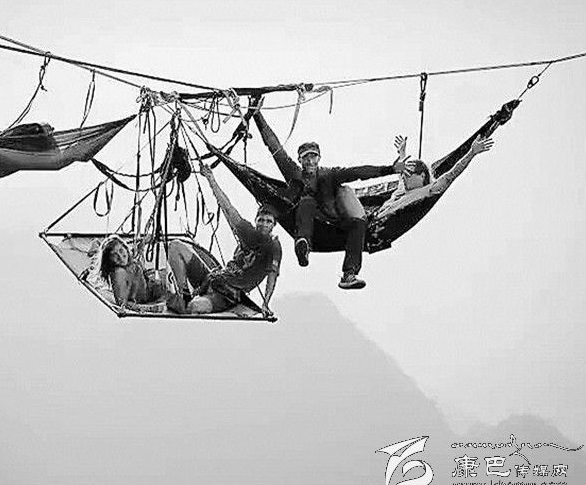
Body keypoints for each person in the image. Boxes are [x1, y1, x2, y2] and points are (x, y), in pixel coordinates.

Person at [247, 95, 413, 290]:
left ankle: (349, 275)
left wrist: (390, 169)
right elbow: (274, 146)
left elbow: (357, 172)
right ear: (300, 160)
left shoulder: (329, 174)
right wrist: (257, 115)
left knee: (358, 223)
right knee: (307, 201)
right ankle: (303, 245)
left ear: (319, 158)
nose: (310, 161)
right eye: (306, 158)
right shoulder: (294, 173)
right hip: (307, 223)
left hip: (334, 222)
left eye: (313, 157)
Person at [166, 164, 281, 318]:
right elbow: (227, 208)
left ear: (274, 225)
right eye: (261, 220)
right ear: (256, 221)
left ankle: (188, 303)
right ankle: (184, 295)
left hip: (227, 295)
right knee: (176, 246)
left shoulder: (273, 246)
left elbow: (272, 276)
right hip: (212, 279)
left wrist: (265, 303)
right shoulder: (248, 232)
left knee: (195, 307)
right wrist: (210, 178)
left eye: (268, 221)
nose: (264, 224)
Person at [374, 133, 495, 222]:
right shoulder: (403, 187)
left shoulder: (428, 190)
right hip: (373, 218)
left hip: (381, 224)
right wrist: (402, 152)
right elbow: (402, 168)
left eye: (408, 175)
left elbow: (451, 175)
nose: (404, 178)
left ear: (421, 176)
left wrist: (471, 153)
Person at [98, 236, 166, 309]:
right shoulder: (118, 272)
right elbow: (122, 303)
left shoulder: (128, 263)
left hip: (151, 287)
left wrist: (144, 242)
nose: (120, 256)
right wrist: (147, 308)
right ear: (109, 259)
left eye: (121, 250)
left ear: (125, 248)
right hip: (151, 293)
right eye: (114, 255)